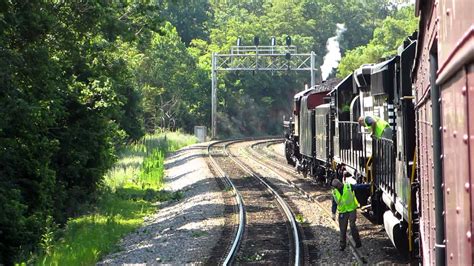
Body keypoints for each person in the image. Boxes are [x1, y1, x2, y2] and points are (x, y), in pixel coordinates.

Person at [331, 178, 362, 251]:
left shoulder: (348, 186)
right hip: (343, 212)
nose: (339, 185)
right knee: (343, 229)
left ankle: (358, 243)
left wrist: (367, 185)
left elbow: (357, 187)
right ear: (336, 187)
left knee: (352, 225)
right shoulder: (335, 192)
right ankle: (342, 246)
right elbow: (334, 203)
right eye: (337, 185)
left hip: (351, 209)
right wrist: (333, 213)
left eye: (339, 184)